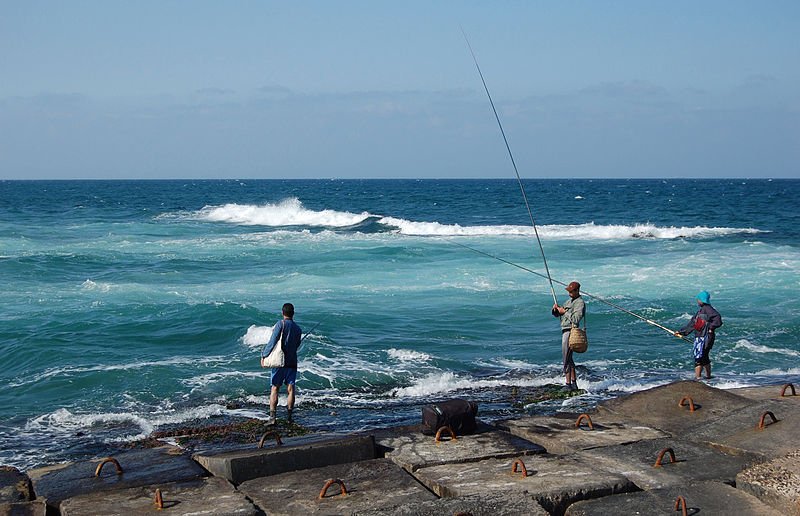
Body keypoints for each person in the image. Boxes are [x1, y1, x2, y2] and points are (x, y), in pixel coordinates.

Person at [261, 303, 302, 425]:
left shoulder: (281, 324)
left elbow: (273, 341)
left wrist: (264, 355)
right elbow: (297, 345)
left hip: (279, 362)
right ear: (293, 313)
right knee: (291, 389)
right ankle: (289, 417)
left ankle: (272, 418)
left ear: (282, 312)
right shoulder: (298, 328)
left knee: (275, 388)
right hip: (292, 362)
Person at [674, 291, 722, 380]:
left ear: (701, 300)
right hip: (702, 337)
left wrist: (711, 328)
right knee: (704, 357)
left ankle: (698, 378)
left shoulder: (708, 310)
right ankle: (708, 376)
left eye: (698, 299)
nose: (697, 301)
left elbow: (718, 320)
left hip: (705, 337)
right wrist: (681, 332)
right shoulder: (701, 311)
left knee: (699, 358)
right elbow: (692, 325)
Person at [552, 281, 586, 391]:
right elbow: (559, 314)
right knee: (569, 358)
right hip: (565, 330)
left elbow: (576, 319)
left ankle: (568, 384)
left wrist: (564, 312)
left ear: (577, 291)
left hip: (571, 331)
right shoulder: (569, 301)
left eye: (571, 291)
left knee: (566, 358)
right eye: (569, 291)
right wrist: (556, 310)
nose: (569, 293)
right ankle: (573, 384)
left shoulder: (580, 303)